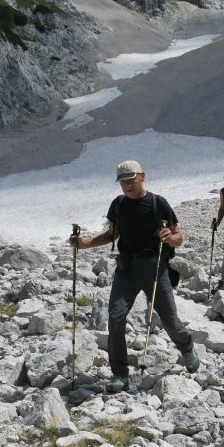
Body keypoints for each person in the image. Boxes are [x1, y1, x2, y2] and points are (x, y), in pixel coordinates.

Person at [70, 160, 199, 392]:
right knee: (116, 317)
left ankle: (187, 346)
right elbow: (112, 234)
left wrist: (169, 236)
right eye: (123, 181)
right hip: (126, 270)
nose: (127, 185)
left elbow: (179, 237)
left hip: (154, 269)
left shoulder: (158, 203)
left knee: (170, 321)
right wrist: (86, 243)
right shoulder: (118, 205)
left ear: (142, 177)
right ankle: (120, 375)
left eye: (131, 180)